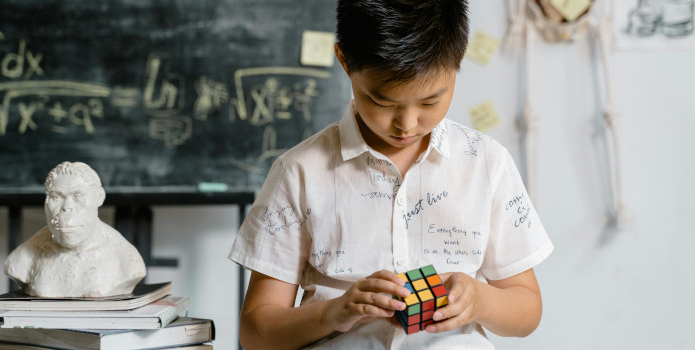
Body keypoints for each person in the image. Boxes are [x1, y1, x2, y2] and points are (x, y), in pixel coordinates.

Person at [228, 0, 553, 348]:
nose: (406, 125)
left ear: (459, 60)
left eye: (430, 102)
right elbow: (255, 333)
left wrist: (480, 299)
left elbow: (527, 311)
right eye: (383, 103)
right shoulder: (299, 173)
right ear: (344, 60)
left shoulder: (487, 163)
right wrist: (334, 312)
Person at [5, 162, 146, 297]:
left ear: (99, 197)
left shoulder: (127, 261)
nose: (66, 207)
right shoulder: (22, 258)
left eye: (77, 196)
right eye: (55, 197)